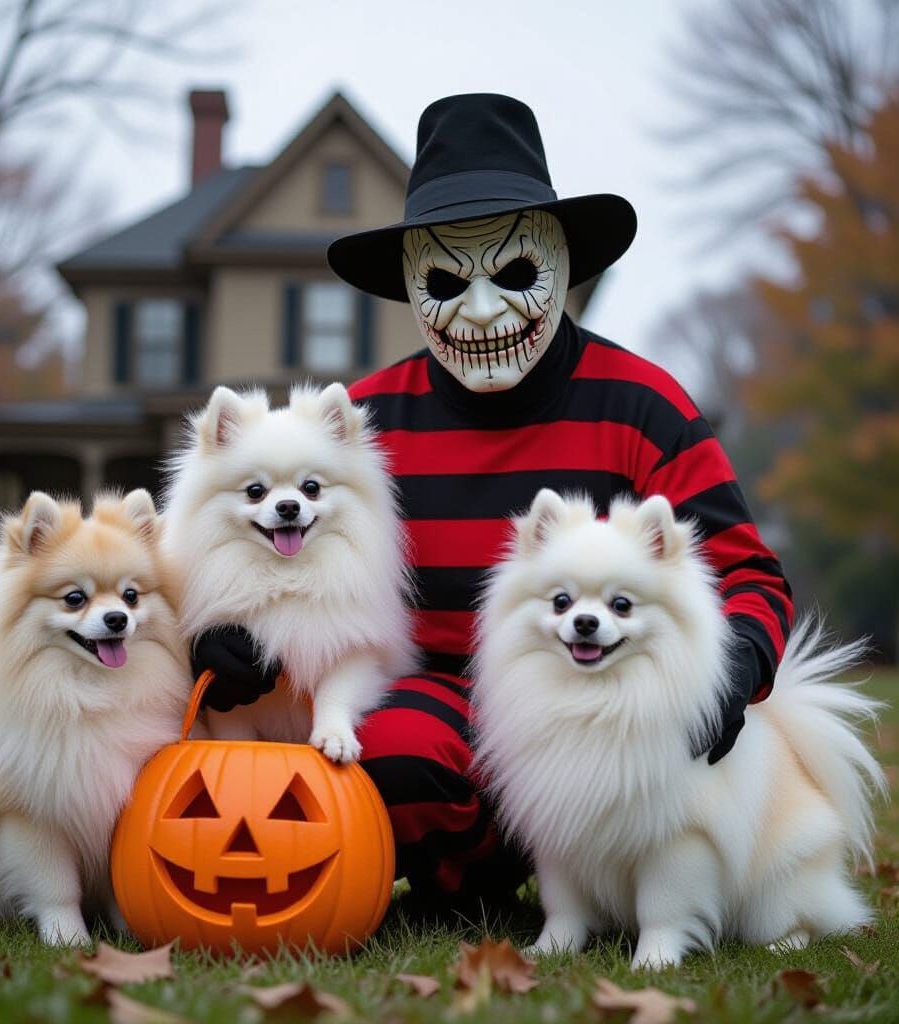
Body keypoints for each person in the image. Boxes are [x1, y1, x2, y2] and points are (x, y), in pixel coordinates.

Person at [193, 94, 793, 915]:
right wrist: (222, 636)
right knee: (382, 748)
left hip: (592, 706)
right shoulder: (358, 430)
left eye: (513, 273)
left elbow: (745, 572)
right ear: (411, 286)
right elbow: (256, 552)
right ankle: (468, 890)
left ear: (563, 265)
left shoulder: (643, 405)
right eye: (446, 280)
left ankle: (619, 879)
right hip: (427, 698)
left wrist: (732, 673)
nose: (480, 311)